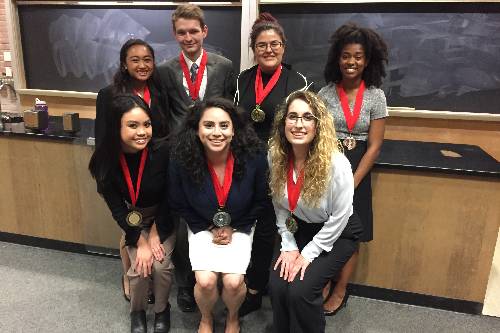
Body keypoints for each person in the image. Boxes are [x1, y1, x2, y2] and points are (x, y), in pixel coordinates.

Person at [157, 4, 236, 312]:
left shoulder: (225, 66)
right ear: (175, 34)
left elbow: (228, 110)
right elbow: (163, 114)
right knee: (180, 221)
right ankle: (186, 284)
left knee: (214, 213)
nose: (188, 37)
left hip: (216, 152)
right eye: (181, 32)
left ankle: (214, 275)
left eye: (193, 31)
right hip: (180, 155)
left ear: (204, 31)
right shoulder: (164, 71)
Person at [234, 12, 312, 317]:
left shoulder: (298, 81)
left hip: (280, 166)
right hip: (244, 165)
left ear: (284, 47)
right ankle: (238, 281)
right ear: (253, 48)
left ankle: (255, 289)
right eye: (262, 44)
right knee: (243, 224)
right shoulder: (241, 79)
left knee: (268, 228)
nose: (269, 49)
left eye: (275, 44)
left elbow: (303, 125)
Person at [168, 97, 268, 333]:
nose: (217, 132)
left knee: (233, 283)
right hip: (201, 225)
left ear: (234, 129)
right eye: (208, 125)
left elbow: (261, 200)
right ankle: (206, 318)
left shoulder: (254, 156)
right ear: (197, 129)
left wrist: (235, 227)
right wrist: (208, 227)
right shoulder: (181, 157)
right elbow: (177, 201)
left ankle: (233, 317)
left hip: (241, 224)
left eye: (224, 125)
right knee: (206, 281)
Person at [267, 90, 362, 333]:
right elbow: (279, 206)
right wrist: (288, 245)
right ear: (283, 122)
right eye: (293, 117)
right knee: (278, 286)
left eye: (307, 117)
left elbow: (340, 217)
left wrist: (308, 254)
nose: (299, 124)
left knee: (301, 289)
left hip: (337, 232)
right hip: (298, 229)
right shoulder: (275, 156)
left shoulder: (336, 163)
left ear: (318, 124)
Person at [318, 22, 388, 315]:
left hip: (358, 168)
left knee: (350, 232)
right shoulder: (324, 93)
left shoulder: (376, 95)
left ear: (367, 60)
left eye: (358, 56)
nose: (352, 62)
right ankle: (320, 280)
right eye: (346, 55)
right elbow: (316, 137)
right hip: (326, 167)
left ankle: (341, 288)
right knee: (321, 227)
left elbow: (374, 145)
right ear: (338, 58)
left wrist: (353, 183)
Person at [89, 95, 174, 333]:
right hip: (131, 219)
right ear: (116, 127)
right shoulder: (104, 162)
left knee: (161, 266)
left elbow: (172, 197)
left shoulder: (164, 151)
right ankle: (137, 312)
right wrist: (140, 239)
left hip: (163, 217)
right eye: (133, 125)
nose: (142, 132)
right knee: (140, 267)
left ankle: (161, 310)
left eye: (146, 124)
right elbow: (118, 209)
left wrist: (156, 231)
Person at [95, 39, 169, 302]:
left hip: (152, 164)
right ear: (124, 64)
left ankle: (146, 274)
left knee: (148, 221)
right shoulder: (109, 94)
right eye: (135, 60)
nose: (142, 65)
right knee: (129, 220)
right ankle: (130, 275)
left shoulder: (159, 91)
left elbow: (165, 131)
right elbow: (104, 136)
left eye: (147, 59)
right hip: (121, 167)